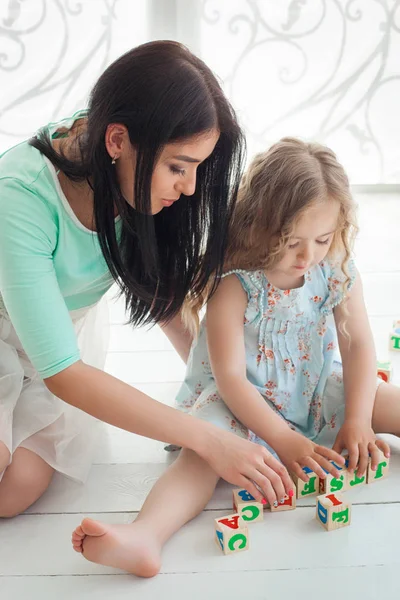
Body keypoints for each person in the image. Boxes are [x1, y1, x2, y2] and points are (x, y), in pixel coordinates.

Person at [71, 137, 397, 577]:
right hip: (239, 403)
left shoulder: (334, 267)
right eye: (292, 241)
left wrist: (357, 419)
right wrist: (284, 440)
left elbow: (357, 344)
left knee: (382, 398)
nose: (308, 255)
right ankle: (145, 534)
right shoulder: (236, 282)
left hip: (313, 385)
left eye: (322, 238)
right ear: (260, 225)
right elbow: (230, 379)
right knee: (201, 459)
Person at [0, 41, 295, 519]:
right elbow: (64, 374)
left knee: (15, 493)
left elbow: (162, 298)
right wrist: (207, 438)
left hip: (53, 335)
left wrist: (224, 388)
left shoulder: (126, 164)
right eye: (179, 167)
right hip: (25, 339)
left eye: (197, 168)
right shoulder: (21, 197)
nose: (191, 188)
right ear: (116, 142)